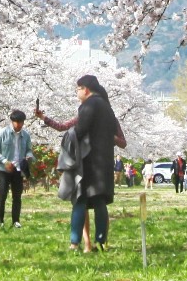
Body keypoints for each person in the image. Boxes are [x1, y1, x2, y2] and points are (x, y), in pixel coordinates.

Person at [37, 76, 126, 252]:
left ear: (85, 89)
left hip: (88, 161)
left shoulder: (89, 105)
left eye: (78, 89)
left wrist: (69, 142)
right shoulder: (108, 109)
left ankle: (74, 242)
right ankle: (101, 242)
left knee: (80, 201)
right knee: (100, 203)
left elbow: (79, 129)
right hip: (105, 161)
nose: (77, 93)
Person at [0, 110, 32, 227]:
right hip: (4, 169)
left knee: (17, 196)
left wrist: (29, 156)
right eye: (16, 122)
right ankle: (0, 221)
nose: (19, 125)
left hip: (18, 169)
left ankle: (16, 221)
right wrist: (4, 161)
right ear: (12, 122)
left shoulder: (26, 135)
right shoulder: (2, 133)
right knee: (2, 194)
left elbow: (29, 149)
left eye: (21, 122)